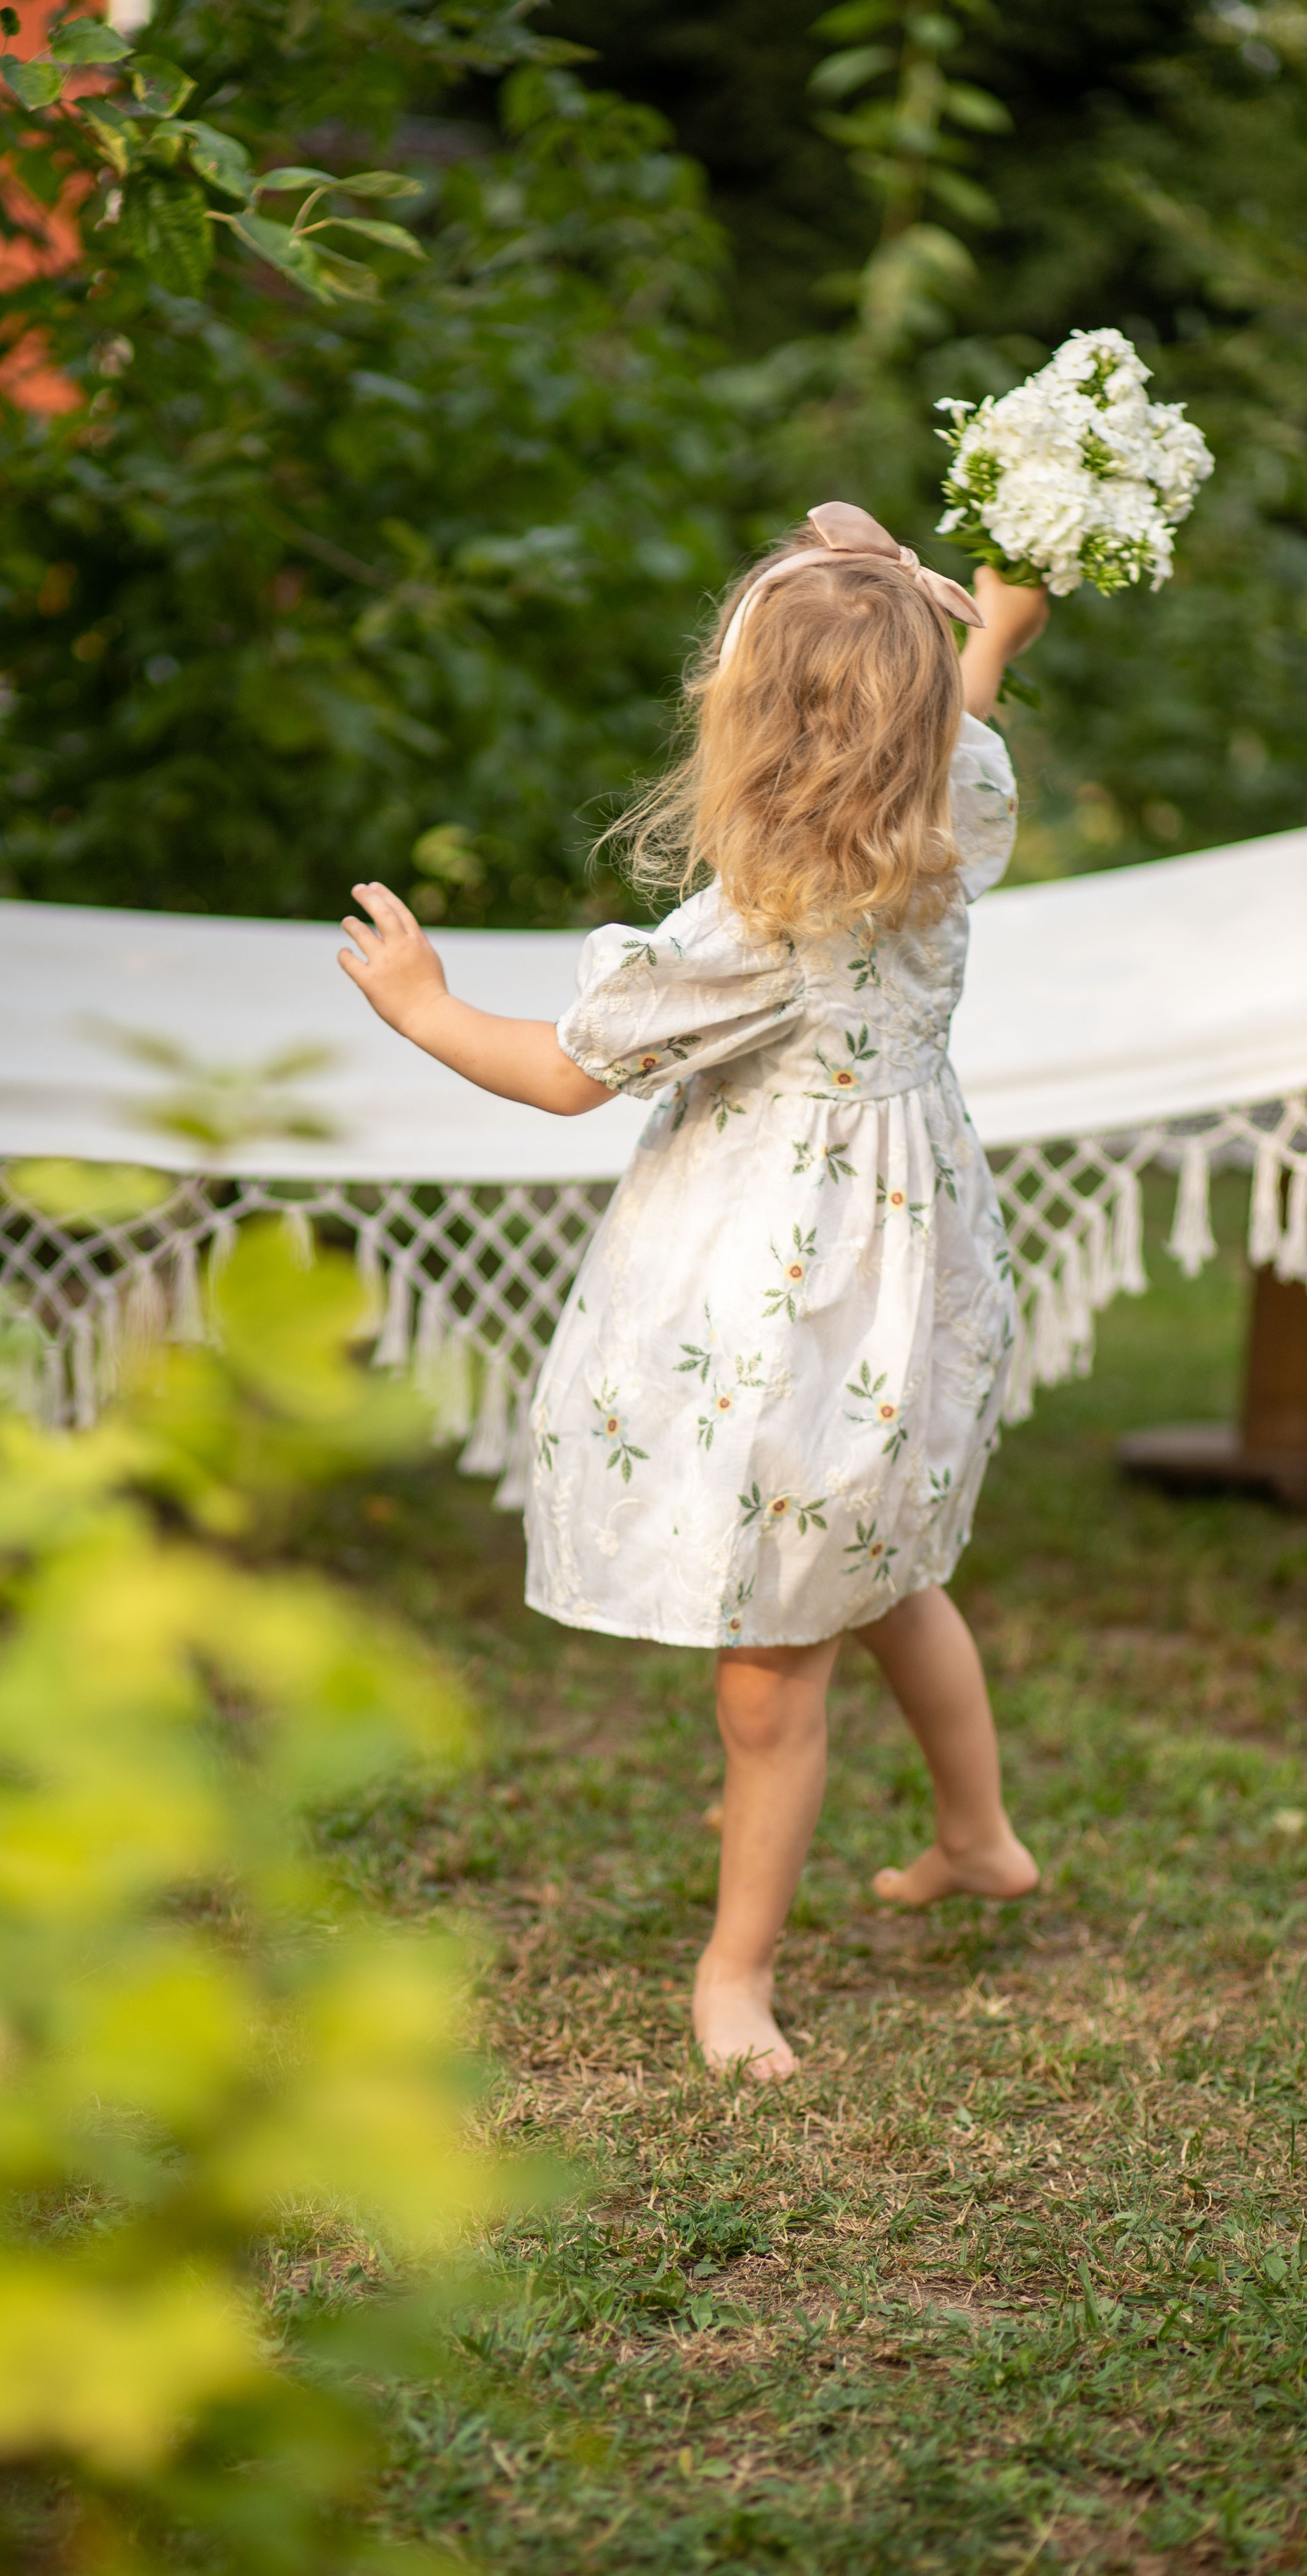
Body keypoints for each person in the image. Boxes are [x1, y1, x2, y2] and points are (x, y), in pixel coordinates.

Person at [337, 503, 1050, 2082]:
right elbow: (971, 700)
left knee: (770, 1661)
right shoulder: (953, 802)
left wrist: (421, 1003)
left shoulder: (757, 921)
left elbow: (554, 1077)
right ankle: (979, 1837)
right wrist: (971, 620)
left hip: (785, 1298)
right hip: (903, 1269)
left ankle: (733, 1980)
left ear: (760, 727)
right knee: (878, 1567)